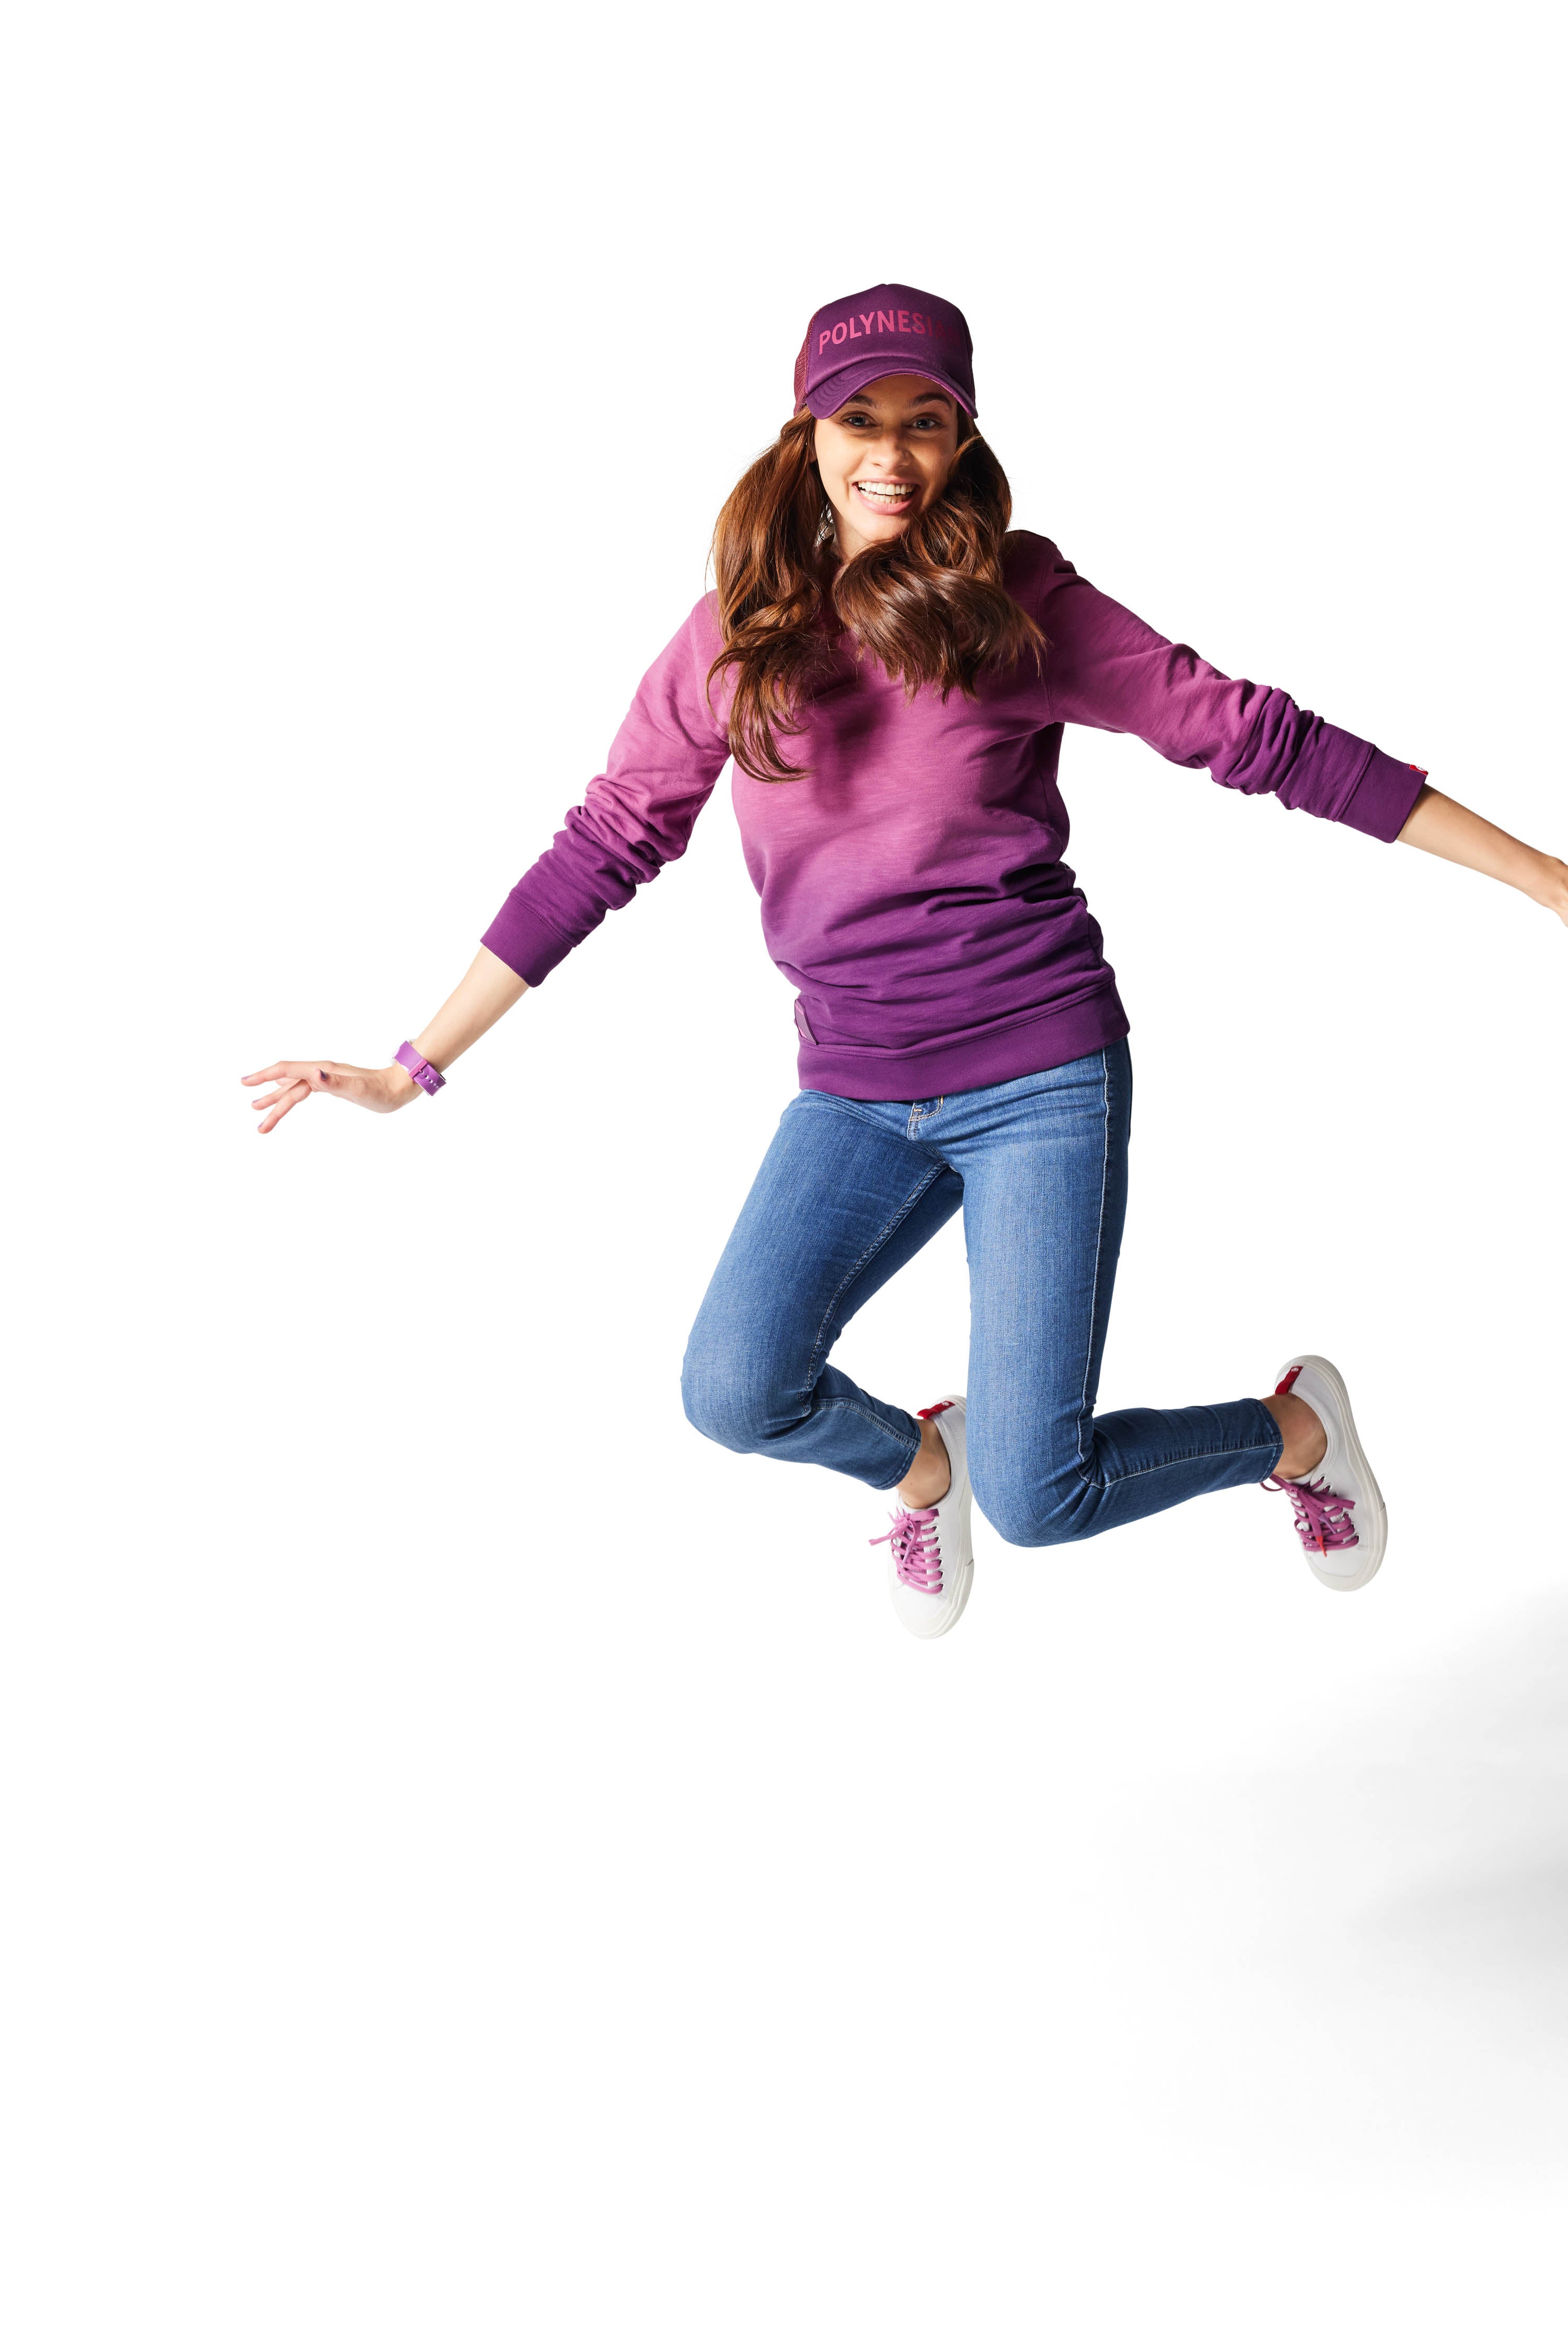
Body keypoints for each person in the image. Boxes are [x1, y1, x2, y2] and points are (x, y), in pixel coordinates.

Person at [241, 282, 1567, 1639]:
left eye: (928, 421)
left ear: (965, 438)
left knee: (1044, 1498)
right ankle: (921, 1461)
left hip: (1038, 1078)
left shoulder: (1017, 600)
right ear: (805, 431)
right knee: (735, 1389)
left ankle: (1293, 1432)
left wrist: (1553, 883)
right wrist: (412, 1067)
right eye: (861, 417)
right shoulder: (732, 641)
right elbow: (604, 844)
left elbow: (1263, 739)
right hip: (858, 1092)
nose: (892, 452)